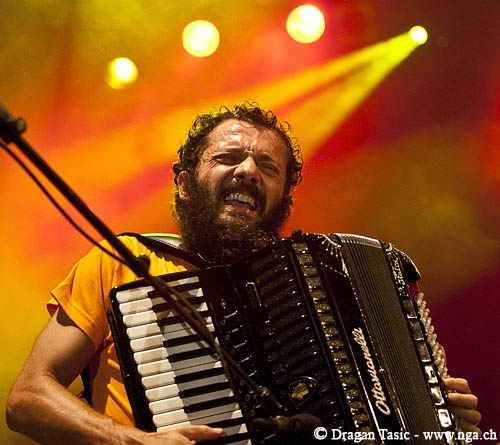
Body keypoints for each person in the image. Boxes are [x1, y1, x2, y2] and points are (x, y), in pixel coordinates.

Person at [6, 102, 481, 444]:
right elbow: (26, 398)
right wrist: (131, 441)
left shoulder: (321, 286)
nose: (249, 171)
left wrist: (435, 422)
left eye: (268, 167)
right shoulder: (124, 261)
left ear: (284, 200)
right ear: (184, 184)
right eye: (228, 158)